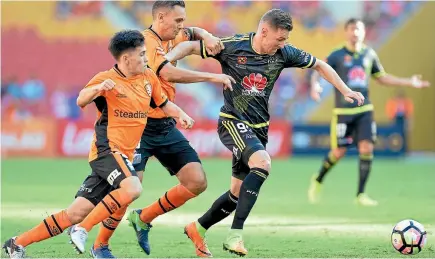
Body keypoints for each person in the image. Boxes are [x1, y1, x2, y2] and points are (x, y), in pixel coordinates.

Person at [161, 9, 364, 257]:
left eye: (286, 40)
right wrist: (167, 59)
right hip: (233, 121)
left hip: (259, 128)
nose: (284, 44)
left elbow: (320, 65)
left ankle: (198, 227)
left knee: (236, 194)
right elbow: (191, 47)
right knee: (263, 164)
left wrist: (344, 91)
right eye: (280, 39)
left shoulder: (283, 53)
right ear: (264, 31)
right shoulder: (232, 46)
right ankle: (235, 234)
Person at [2, 29, 194, 258]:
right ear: (126, 58)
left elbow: (163, 104)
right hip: (107, 151)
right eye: (142, 54)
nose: (146, 58)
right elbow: (81, 99)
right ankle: (83, 229)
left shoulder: (148, 77)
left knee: (75, 212)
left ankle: (16, 243)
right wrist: (98, 90)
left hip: (123, 156)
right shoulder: (106, 79)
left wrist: (180, 113)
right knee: (133, 188)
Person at [90, 1, 235, 258]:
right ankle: (100, 245)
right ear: (160, 17)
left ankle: (144, 218)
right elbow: (166, 73)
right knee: (129, 189)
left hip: (164, 124)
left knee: (196, 181)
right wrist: (213, 77)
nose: (182, 26)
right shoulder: (145, 41)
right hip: (139, 125)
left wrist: (208, 35)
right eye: (178, 21)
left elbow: (194, 31)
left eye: (183, 20)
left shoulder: (176, 34)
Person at [308, 18, 430, 206]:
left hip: (365, 110)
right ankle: (318, 179)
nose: (355, 32)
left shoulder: (369, 54)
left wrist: (409, 82)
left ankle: (361, 194)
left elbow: (382, 78)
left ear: (364, 32)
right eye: (351, 29)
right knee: (339, 152)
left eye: (358, 29)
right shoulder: (337, 55)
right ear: (346, 32)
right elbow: (319, 69)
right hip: (343, 111)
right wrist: (315, 85)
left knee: (367, 148)